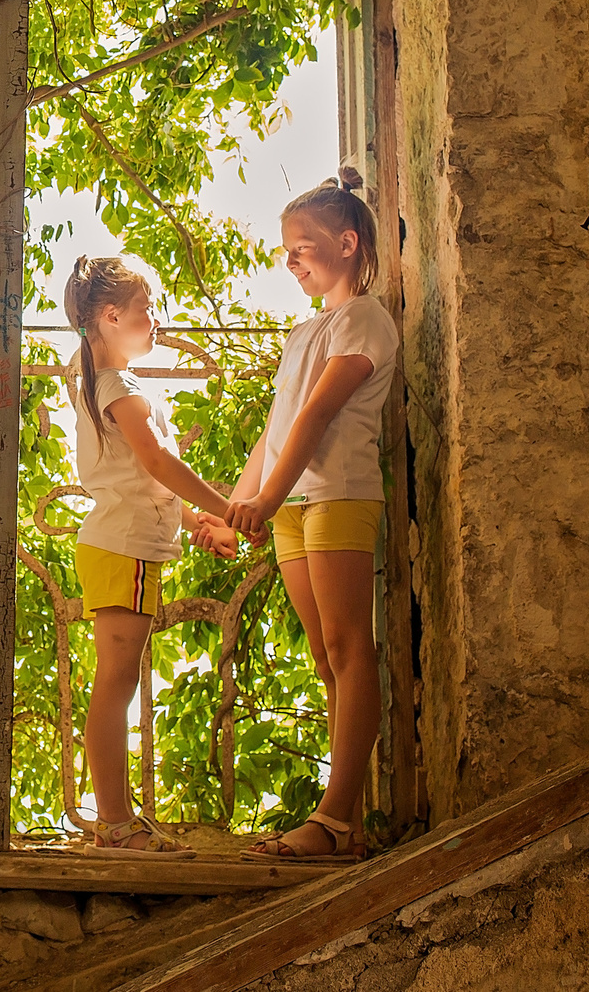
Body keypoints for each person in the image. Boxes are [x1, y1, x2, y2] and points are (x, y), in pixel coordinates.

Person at [226, 166, 399, 861]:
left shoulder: (365, 318)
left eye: (301, 246)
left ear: (348, 243)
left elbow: (322, 413)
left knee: (351, 647)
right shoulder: (307, 331)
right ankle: (343, 823)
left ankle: (332, 820)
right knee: (329, 661)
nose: (289, 259)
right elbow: (278, 429)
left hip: (339, 493)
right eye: (285, 248)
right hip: (295, 502)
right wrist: (240, 502)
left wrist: (263, 501)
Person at [59, 254, 240, 852]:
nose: (156, 318)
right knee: (115, 686)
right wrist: (227, 508)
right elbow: (159, 462)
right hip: (121, 549)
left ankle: (117, 822)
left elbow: (149, 480)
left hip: (123, 546)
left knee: (117, 684)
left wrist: (199, 520)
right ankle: (116, 825)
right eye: (147, 308)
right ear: (111, 316)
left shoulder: (107, 381)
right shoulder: (117, 386)